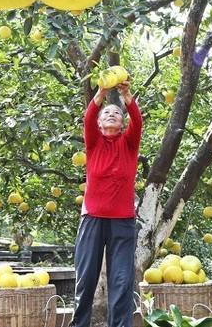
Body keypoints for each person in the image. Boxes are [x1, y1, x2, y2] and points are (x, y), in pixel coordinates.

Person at [73, 80, 141, 327]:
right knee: (86, 278)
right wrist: (101, 93)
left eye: (117, 113)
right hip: (92, 219)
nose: (112, 114)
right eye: (106, 113)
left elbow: (138, 121)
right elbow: (89, 116)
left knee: (122, 281)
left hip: (123, 221)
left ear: (122, 123)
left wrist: (126, 95)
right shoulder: (93, 142)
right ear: (100, 124)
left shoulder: (129, 144)